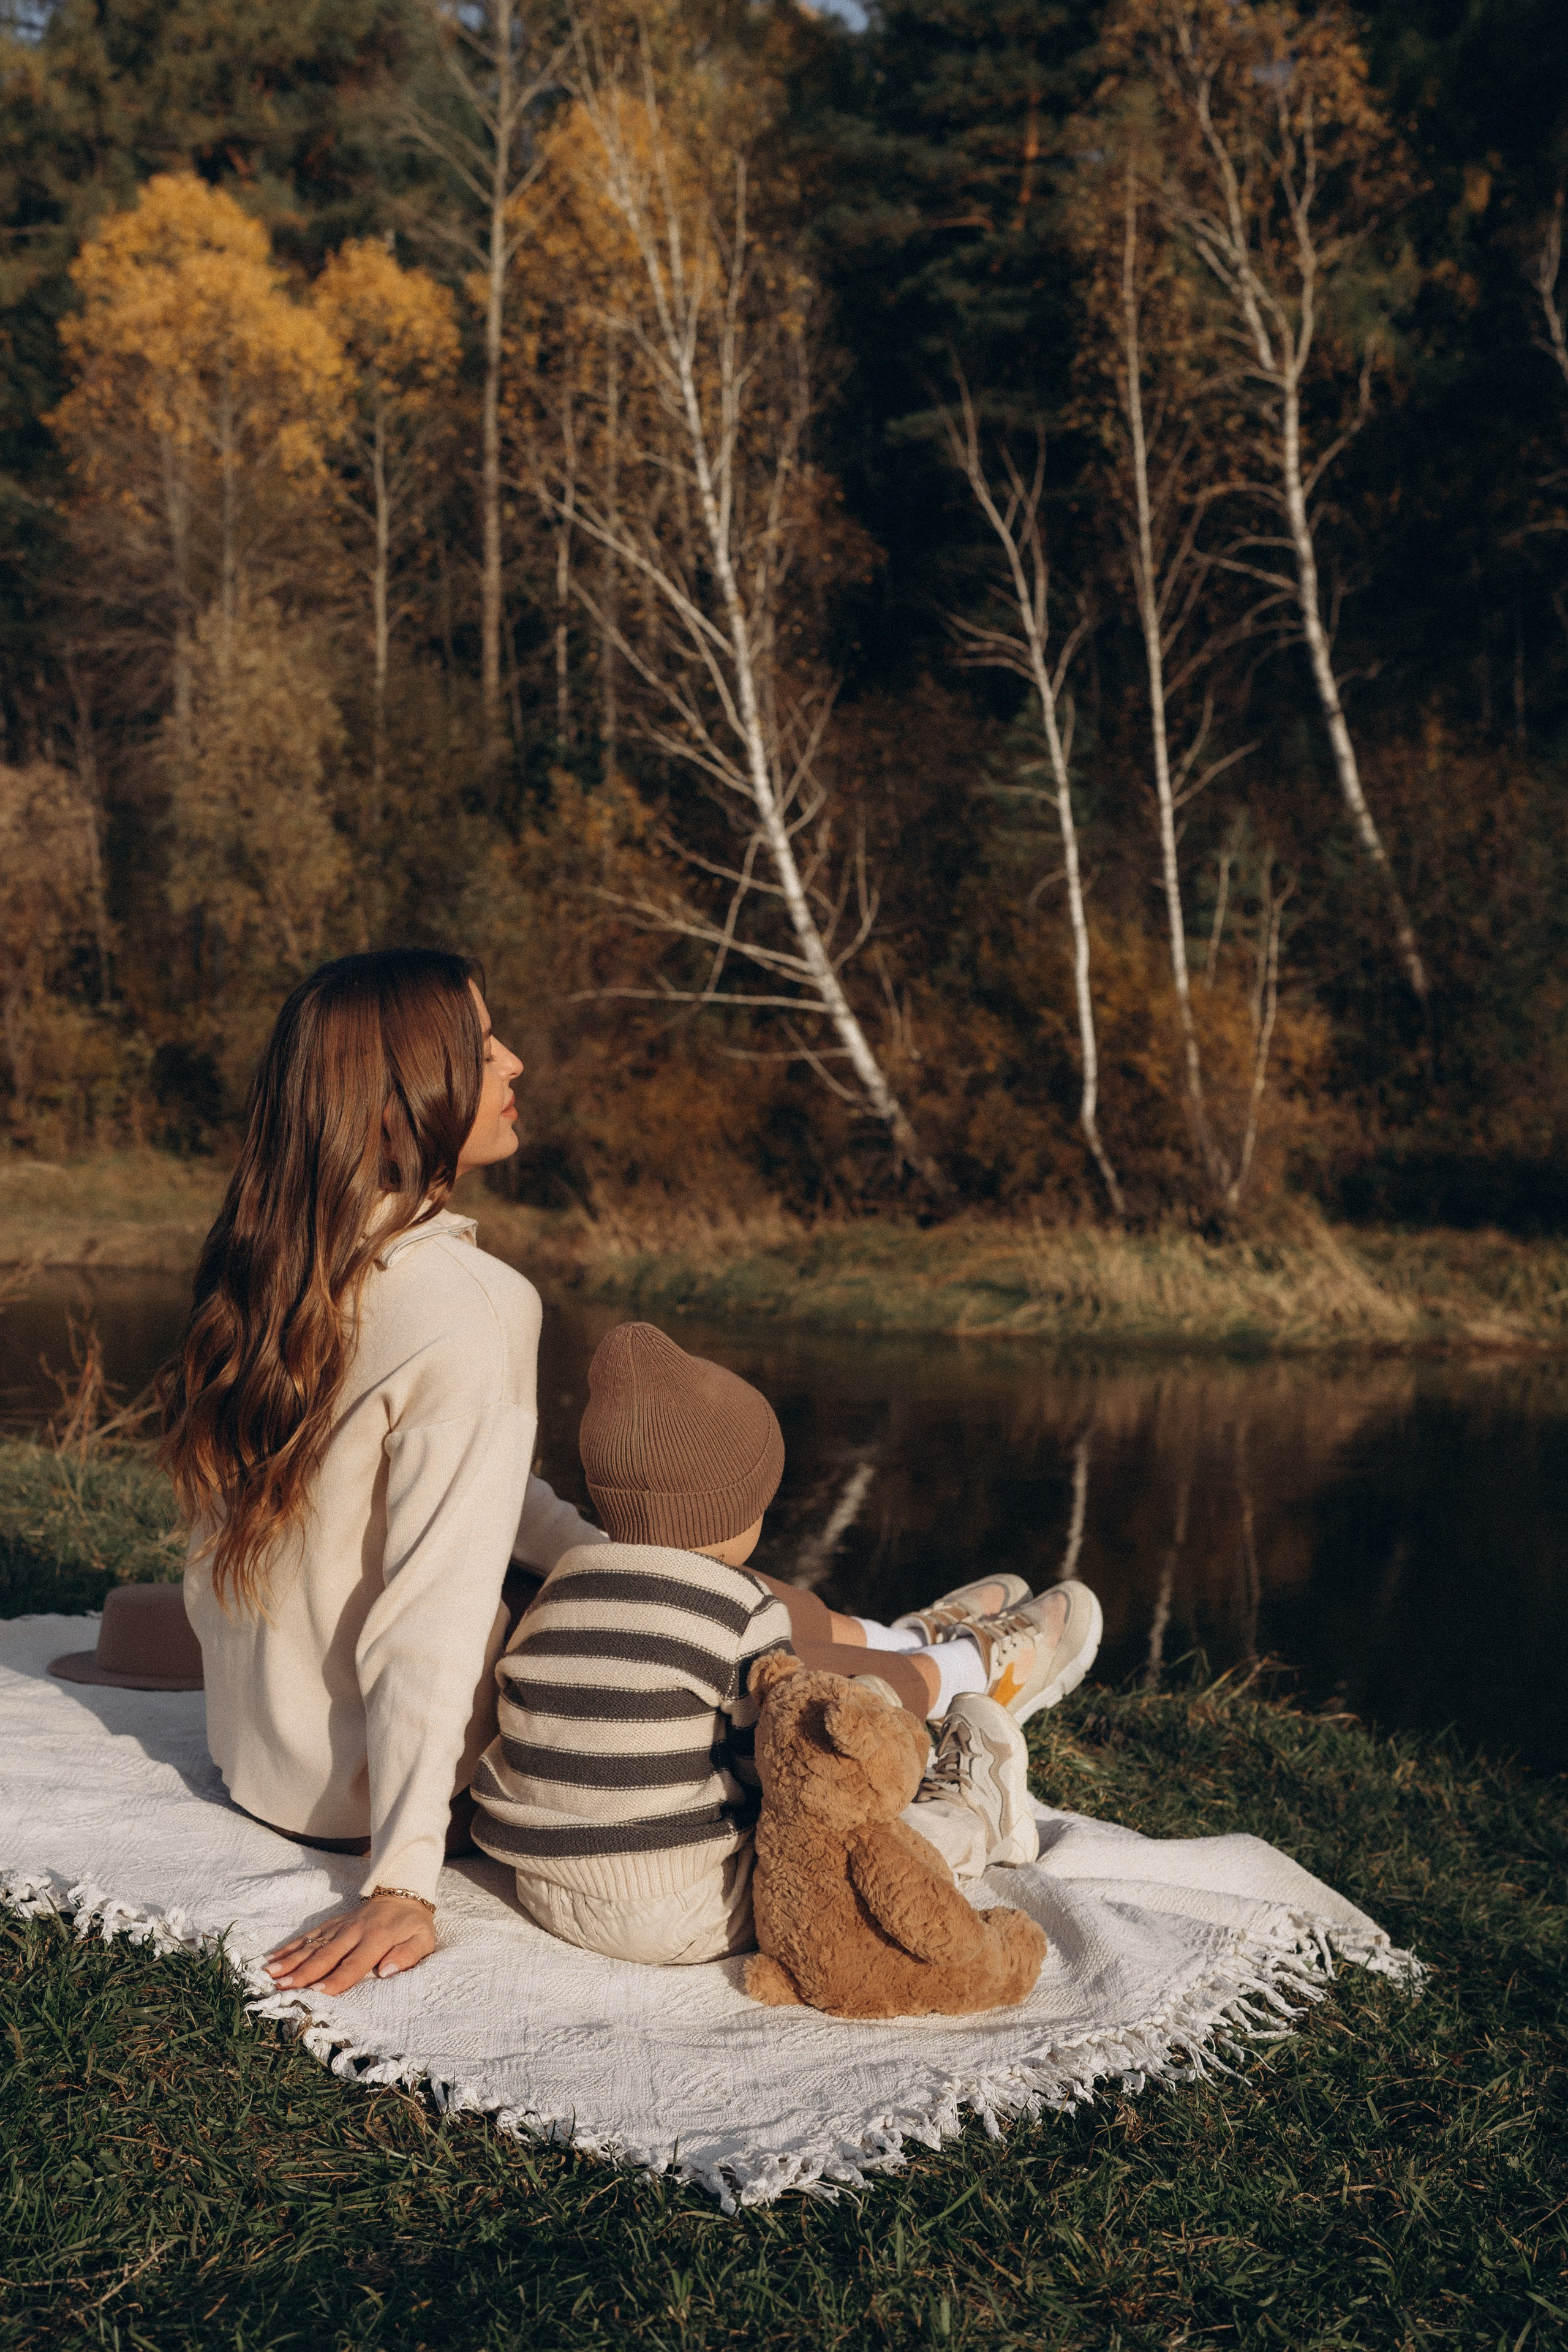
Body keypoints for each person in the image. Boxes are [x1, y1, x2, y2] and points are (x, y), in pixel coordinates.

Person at [470, 1320, 1103, 1966]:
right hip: (680, 1908)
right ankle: (973, 1823)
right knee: (840, 1832)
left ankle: (916, 1645)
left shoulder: (557, 1595)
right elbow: (779, 1772)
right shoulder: (740, 1610)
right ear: (735, 1518)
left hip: (545, 1886)